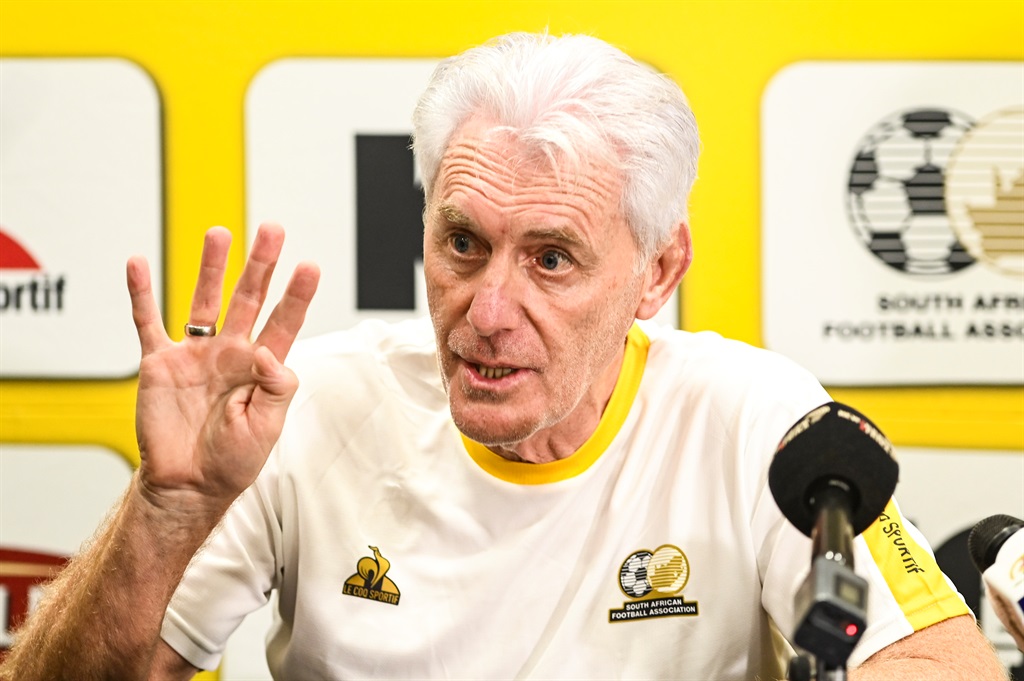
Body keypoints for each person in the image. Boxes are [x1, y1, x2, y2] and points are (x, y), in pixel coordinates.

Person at [0, 32, 1006, 681]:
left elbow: (937, 663)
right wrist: (163, 515)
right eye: (462, 243)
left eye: (552, 259)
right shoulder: (306, 412)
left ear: (658, 270)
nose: (487, 310)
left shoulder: (752, 419)